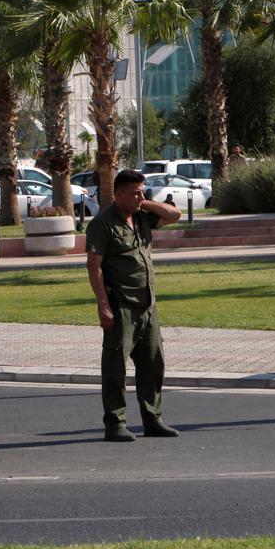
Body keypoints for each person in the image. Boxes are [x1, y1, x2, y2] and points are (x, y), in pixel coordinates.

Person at [85, 169, 182, 442]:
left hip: (147, 304)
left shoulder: (142, 216)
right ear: (117, 195)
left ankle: (153, 419)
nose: (140, 196)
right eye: (134, 192)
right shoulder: (103, 223)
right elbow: (94, 267)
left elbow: (175, 215)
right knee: (115, 366)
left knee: (153, 364)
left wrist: (143, 201)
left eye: (143, 191)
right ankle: (115, 423)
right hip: (121, 304)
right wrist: (103, 305)